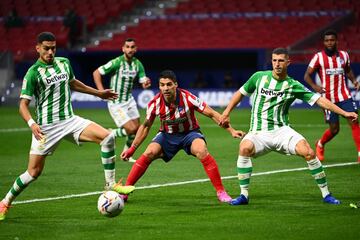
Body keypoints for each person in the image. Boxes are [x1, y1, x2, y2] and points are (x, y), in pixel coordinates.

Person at [0, 32, 134, 221]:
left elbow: (73, 83)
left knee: (107, 137)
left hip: (70, 121)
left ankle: (110, 185)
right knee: (33, 173)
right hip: (47, 128)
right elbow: (22, 105)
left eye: (53, 48)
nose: (50, 52)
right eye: (46, 48)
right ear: (37, 48)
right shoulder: (33, 73)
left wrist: (98, 93)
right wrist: (32, 124)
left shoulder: (64, 62)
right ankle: (5, 202)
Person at [219, 48, 358, 206]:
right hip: (258, 132)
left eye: (280, 61)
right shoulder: (258, 77)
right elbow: (240, 93)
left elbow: (319, 100)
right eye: (274, 60)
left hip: (282, 131)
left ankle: (326, 194)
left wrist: (344, 113)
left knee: (308, 152)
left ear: (288, 62)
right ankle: (244, 195)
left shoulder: (293, 85)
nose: (277, 64)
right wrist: (226, 112)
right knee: (244, 148)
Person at [120, 70, 245, 203]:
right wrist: (132, 149)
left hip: (190, 133)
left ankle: (221, 192)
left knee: (201, 150)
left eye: (169, 84)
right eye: (162, 85)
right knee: (149, 152)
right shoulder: (154, 103)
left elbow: (212, 113)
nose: (165, 88)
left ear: (175, 85)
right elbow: (145, 126)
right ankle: (126, 191)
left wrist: (231, 130)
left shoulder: (188, 98)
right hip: (166, 135)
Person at [304, 29, 360, 162]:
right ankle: (320, 144)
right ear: (324, 42)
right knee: (334, 130)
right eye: (327, 40)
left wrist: (353, 80)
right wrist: (315, 87)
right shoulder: (318, 57)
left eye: (332, 40)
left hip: (344, 96)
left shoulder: (344, 55)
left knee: (354, 121)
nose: (329, 43)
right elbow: (307, 76)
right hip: (328, 99)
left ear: (336, 41)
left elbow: (348, 70)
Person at [93, 38, 151, 162]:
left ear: (135, 49)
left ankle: (126, 154)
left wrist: (146, 83)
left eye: (132, 47)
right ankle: (110, 134)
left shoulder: (138, 64)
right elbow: (96, 73)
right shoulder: (117, 62)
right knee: (130, 129)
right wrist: (100, 91)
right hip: (116, 102)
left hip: (129, 100)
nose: (130, 49)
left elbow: (142, 80)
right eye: (127, 47)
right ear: (123, 49)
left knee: (137, 129)